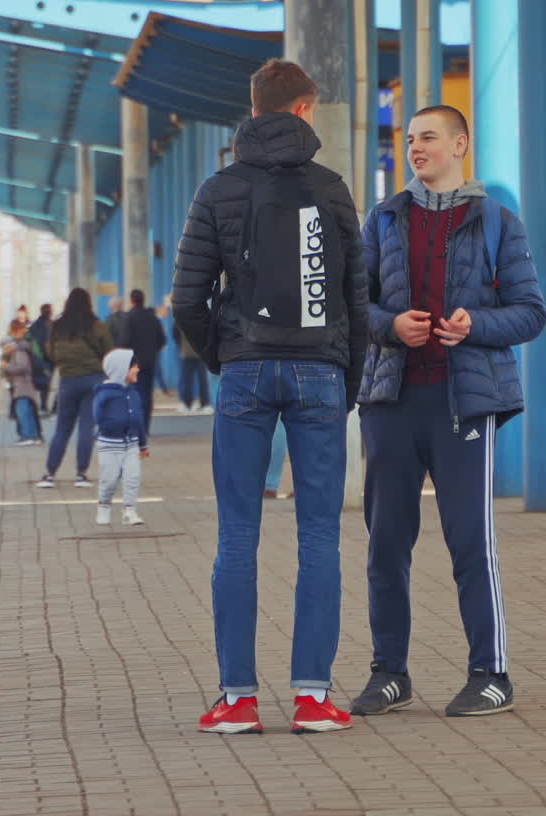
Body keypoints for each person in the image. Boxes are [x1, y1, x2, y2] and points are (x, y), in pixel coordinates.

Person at [172, 57, 368, 735]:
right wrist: (347, 379)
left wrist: (226, 355)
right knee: (320, 536)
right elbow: (356, 298)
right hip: (318, 372)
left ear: (253, 110)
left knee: (237, 537)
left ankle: (238, 700)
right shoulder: (333, 189)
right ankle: (313, 700)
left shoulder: (217, 188)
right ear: (306, 110)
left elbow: (186, 298)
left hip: (245, 374)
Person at [351, 105, 546, 719]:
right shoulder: (383, 220)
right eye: (409, 139)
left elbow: (531, 311)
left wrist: (476, 324)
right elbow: (355, 307)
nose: (415, 148)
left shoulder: (498, 223)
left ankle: (491, 673)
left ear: (460, 144)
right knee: (385, 543)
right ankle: (389, 673)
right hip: (391, 400)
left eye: (427, 137)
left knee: (471, 541)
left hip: (464, 403)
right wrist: (390, 326)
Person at [37, 287, 113, 489]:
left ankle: (49, 474)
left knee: (62, 428)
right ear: (89, 303)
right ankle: (81, 474)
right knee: (86, 428)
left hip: (68, 381)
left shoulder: (57, 327)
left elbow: (52, 354)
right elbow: (109, 352)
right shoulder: (97, 326)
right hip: (93, 381)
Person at [94, 348, 149, 527]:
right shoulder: (105, 394)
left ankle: (130, 510)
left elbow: (139, 421)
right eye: (134, 366)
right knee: (109, 479)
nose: (138, 369)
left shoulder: (133, 393)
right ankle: (104, 506)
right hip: (110, 445)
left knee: (133, 477)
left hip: (131, 445)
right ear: (121, 369)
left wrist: (142, 444)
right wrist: (111, 425)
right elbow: (98, 417)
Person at [120, 289, 166, 434]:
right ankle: (145, 428)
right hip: (150, 362)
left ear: (132, 300)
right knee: (147, 395)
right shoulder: (152, 318)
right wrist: (152, 351)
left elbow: (125, 341)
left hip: (133, 363)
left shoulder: (129, 318)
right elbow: (162, 340)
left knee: (134, 393)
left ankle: (135, 427)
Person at [1, 319, 43, 446]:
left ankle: (27, 436)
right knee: (28, 411)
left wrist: (6, 367)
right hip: (25, 384)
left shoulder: (19, 349)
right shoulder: (23, 347)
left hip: (22, 384)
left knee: (22, 412)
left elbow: (23, 367)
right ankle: (35, 436)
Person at [175, 324, 212, 415]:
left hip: (194, 352)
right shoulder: (200, 314)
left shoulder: (181, 313)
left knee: (194, 379)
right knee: (191, 379)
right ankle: (191, 403)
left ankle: (199, 404)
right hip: (195, 352)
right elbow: (175, 333)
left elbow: (175, 333)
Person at [27, 303, 55, 414]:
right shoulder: (51, 325)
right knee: (46, 383)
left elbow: (29, 340)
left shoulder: (33, 326)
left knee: (35, 382)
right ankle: (43, 406)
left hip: (35, 358)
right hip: (48, 359)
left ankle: (36, 406)